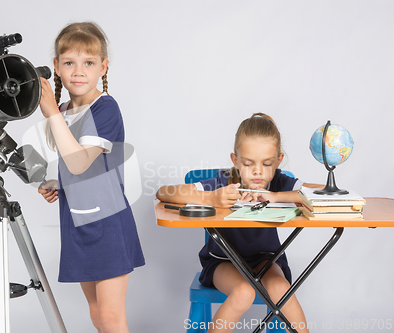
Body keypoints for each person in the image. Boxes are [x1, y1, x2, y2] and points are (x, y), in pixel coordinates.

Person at [157, 113, 316, 333]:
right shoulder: (225, 181)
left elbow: (319, 194)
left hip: (266, 260)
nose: (258, 171)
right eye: (248, 163)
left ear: (278, 161)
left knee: (281, 287)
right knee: (244, 292)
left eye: (267, 163)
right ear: (235, 161)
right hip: (223, 262)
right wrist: (211, 198)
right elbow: (164, 192)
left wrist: (277, 196)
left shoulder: (280, 182)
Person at [38, 22, 145, 333]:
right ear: (56, 67)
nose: (78, 71)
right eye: (69, 63)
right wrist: (56, 184)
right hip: (76, 224)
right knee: (97, 314)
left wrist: (52, 115)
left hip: (108, 224)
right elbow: (74, 167)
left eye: (88, 63)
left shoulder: (105, 109)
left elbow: (81, 162)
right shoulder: (62, 110)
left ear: (103, 66)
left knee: (111, 318)